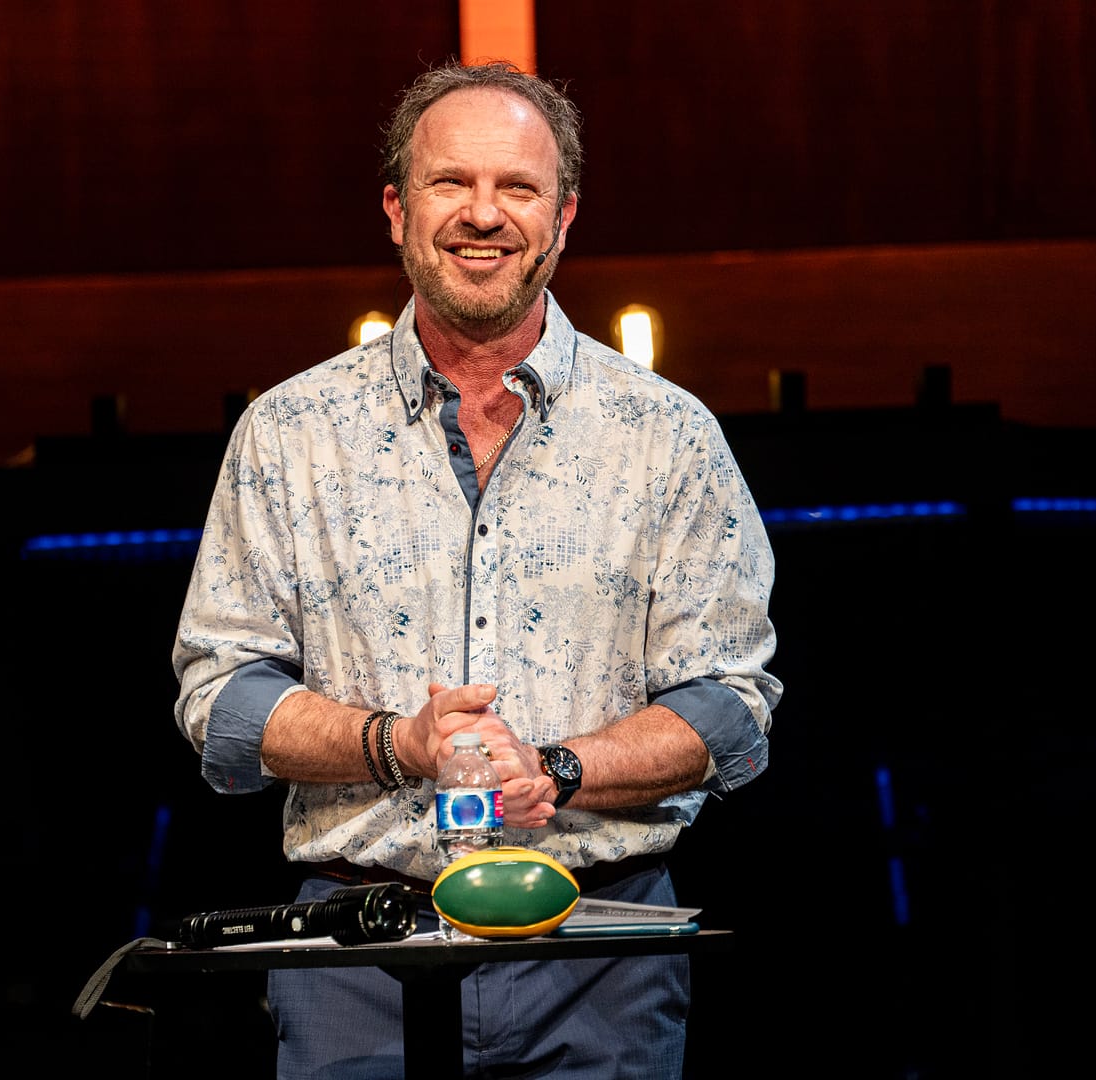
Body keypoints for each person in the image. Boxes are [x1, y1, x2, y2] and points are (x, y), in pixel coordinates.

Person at [173, 59, 782, 1079]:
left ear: (564, 216)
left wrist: (558, 770)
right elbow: (221, 699)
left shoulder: (669, 437)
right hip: (355, 956)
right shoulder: (288, 434)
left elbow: (730, 707)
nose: (484, 214)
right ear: (396, 210)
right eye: (451, 182)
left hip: (601, 957)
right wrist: (397, 743)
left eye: (519, 187)